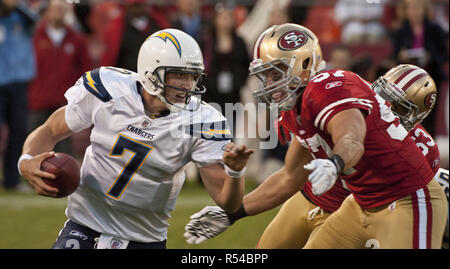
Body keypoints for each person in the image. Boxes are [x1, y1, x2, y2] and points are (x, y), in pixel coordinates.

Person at [183, 23, 448, 249]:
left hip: (406, 199)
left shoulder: (329, 87)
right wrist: (233, 214)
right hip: (360, 203)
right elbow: (291, 175)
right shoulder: (297, 107)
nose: (269, 84)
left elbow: (352, 138)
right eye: (265, 76)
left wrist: (335, 163)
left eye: (276, 73)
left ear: (305, 64)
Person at [18, 28, 253, 249]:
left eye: (192, 76)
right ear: (151, 72)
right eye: (178, 75)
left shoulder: (203, 120)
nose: (188, 85)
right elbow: (51, 130)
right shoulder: (109, 89)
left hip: (143, 239)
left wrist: (235, 172)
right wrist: (26, 160)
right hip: (84, 226)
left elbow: (228, 203)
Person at [255, 64, 448, 249]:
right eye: (385, 95)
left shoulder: (423, 150)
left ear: (417, 117)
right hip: (309, 196)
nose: (387, 106)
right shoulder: (348, 105)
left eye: (400, 107)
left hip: (344, 210)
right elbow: (295, 166)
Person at [28, 0, 93, 155]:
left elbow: (86, 69)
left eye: (62, 9)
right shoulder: (34, 36)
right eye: (55, 9)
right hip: (38, 99)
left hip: (64, 101)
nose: (58, 12)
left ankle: (61, 178)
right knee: (36, 143)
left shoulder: (76, 38)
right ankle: (32, 176)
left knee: (63, 148)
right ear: (46, 11)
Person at [391, 0, 448, 137]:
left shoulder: (435, 29)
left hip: (431, 77)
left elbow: (443, 55)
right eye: (410, 8)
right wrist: (402, 56)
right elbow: (395, 55)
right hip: (408, 80)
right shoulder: (401, 30)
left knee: (430, 115)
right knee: (406, 114)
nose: (414, 12)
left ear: (424, 10)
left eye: (417, 8)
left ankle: (430, 145)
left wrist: (429, 56)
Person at [0, 0, 37, 192]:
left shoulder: (22, 16)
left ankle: (12, 180)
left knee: (18, 131)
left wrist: (15, 5)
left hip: (18, 81)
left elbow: (35, 18)